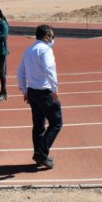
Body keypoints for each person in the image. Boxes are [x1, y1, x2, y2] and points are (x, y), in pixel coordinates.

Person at [17, 24, 63, 169]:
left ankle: (39, 156)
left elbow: (20, 73)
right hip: (44, 92)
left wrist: (24, 91)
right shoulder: (46, 50)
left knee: (38, 125)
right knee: (56, 122)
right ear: (46, 36)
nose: (53, 39)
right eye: (52, 36)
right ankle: (41, 154)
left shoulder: (28, 50)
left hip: (32, 92)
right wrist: (55, 90)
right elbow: (50, 70)